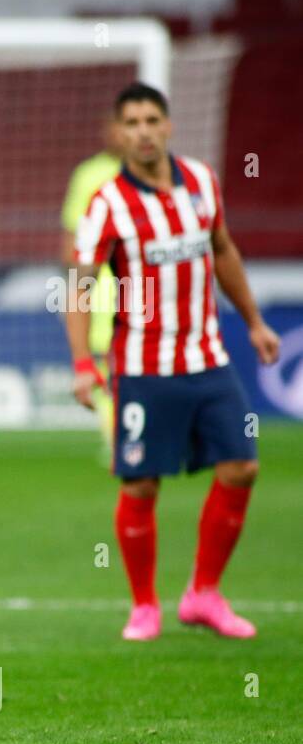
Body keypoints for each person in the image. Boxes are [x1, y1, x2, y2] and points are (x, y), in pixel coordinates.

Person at [68, 84, 280, 641]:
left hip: (207, 357)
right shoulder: (107, 203)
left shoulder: (203, 183)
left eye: (152, 119)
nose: (142, 130)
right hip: (142, 365)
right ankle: (144, 606)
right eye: (131, 121)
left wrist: (254, 321)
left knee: (242, 466)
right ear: (118, 133)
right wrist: (82, 364)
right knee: (141, 485)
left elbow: (224, 248)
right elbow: (80, 284)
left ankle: (203, 594)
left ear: (168, 126)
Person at [61, 110, 125, 458]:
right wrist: (70, 290)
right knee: (105, 358)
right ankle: (119, 439)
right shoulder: (89, 174)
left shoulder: (158, 174)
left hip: (146, 284)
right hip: (101, 285)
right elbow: (72, 235)